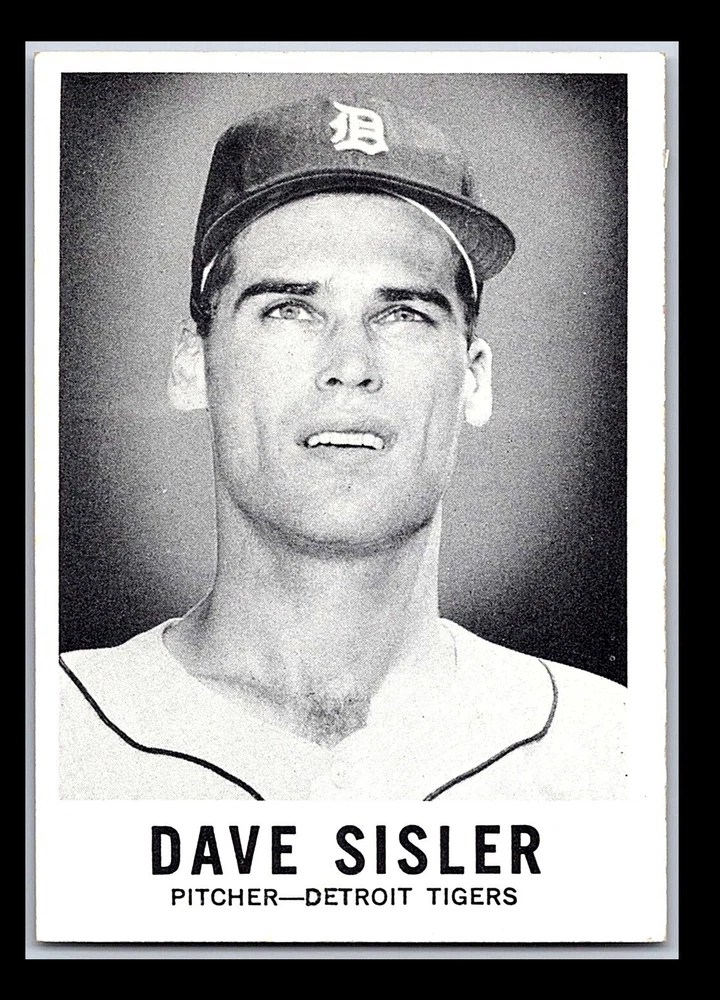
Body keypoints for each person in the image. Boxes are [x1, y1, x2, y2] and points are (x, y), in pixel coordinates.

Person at [59, 94, 626, 801]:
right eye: (290, 309)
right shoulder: (56, 736)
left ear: (474, 379)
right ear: (192, 363)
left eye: (403, 313)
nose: (350, 364)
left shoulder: (616, 753)